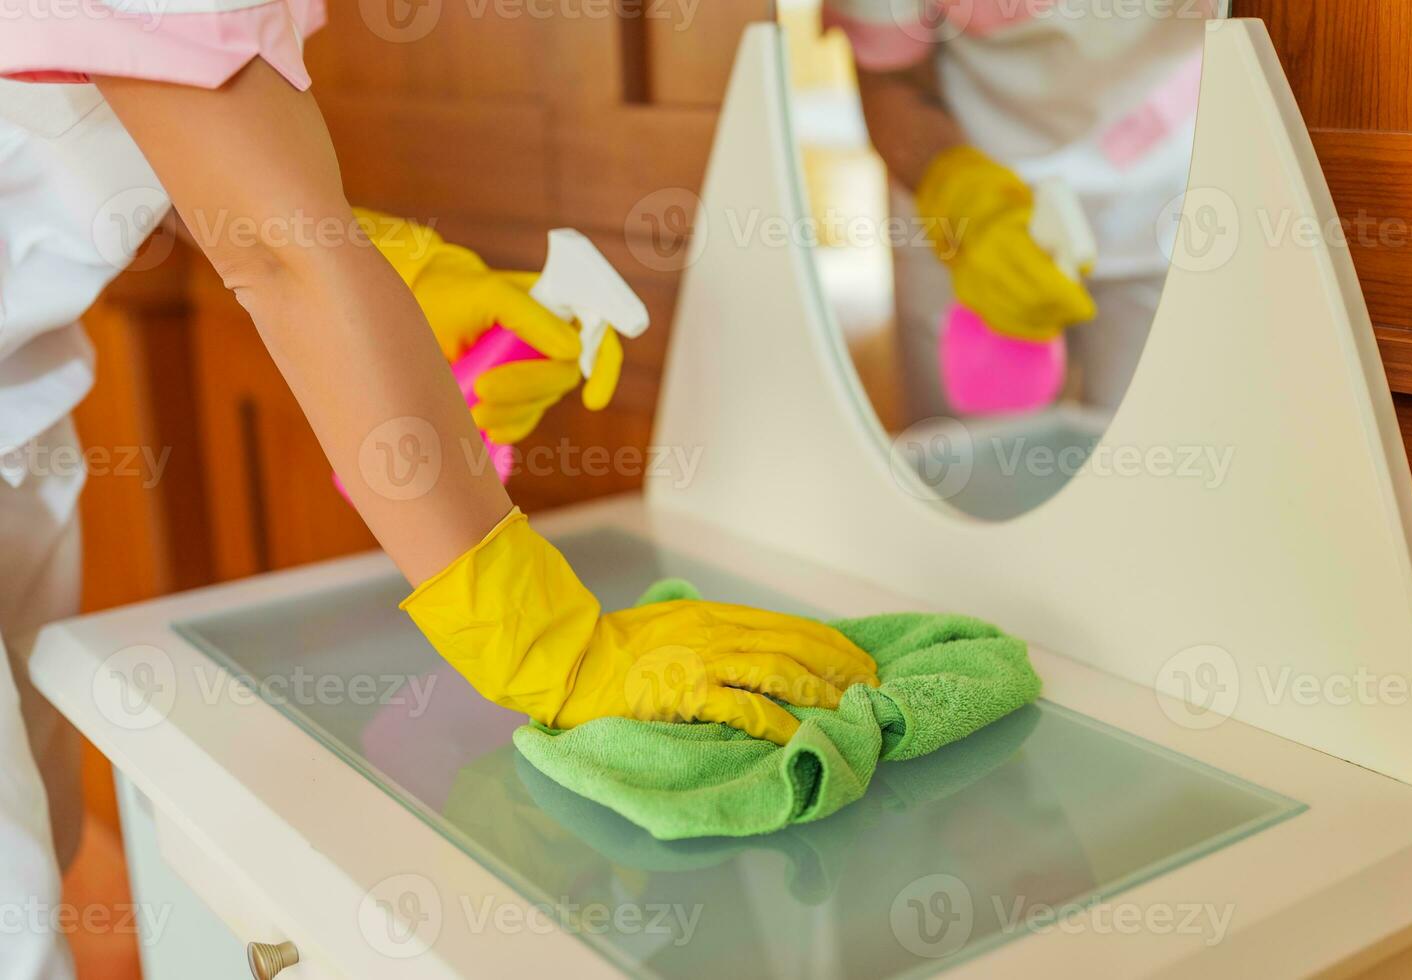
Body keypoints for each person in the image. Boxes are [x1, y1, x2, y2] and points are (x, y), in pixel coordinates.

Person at [0, 5, 878, 976]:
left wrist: (392, 268)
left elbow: (139, 124)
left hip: (17, 392)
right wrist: (549, 640)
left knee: (35, 807)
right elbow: (273, 252)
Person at [823, 0, 1217, 417]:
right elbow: (892, 76)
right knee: (968, 457)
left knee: (1142, 440)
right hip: (958, 157)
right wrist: (959, 190)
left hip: (1159, 179)